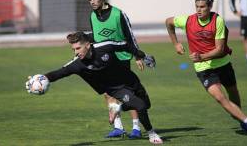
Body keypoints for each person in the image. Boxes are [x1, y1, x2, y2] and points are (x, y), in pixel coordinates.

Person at [26, 32, 163, 144]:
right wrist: (40, 79)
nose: (76, 52)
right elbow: (59, 73)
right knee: (140, 106)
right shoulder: (77, 64)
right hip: (116, 89)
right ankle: (152, 134)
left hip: (130, 78)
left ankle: (119, 106)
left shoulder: (105, 46)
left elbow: (125, 45)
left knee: (146, 104)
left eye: (78, 48)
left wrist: (142, 56)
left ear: (88, 45)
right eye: (73, 49)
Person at [165, 0, 247, 134]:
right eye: (197, 6)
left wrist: (201, 56)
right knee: (220, 98)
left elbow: (219, 49)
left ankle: (239, 116)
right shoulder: (187, 20)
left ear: (210, 6)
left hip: (222, 63)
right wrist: (176, 43)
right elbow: (168, 22)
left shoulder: (217, 21)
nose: (199, 10)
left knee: (233, 92)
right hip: (204, 69)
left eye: (202, 7)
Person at [86, 0, 146, 138]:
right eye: (90, 0)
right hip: (103, 60)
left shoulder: (118, 14)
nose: (92, 2)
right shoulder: (92, 16)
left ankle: (136, 128)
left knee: (128, 93)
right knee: (107, 92)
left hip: (122, 58)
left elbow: (130, 36)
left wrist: (137, 56)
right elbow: (96, 37)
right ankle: (119, 128)